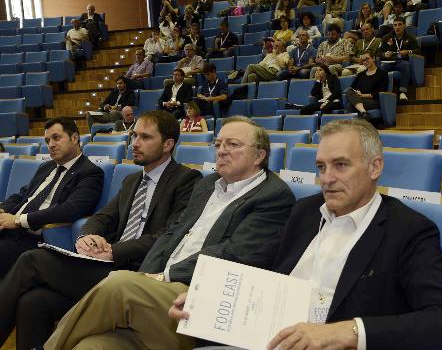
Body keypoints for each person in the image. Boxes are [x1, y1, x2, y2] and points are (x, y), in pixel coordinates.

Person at [168, 118, 442, 350]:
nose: (327, 179)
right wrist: (208, 295)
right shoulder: (305, 211)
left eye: (340, 165)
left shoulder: (407, 230)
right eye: (321, 167)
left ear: (374, 167)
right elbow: (264, 268)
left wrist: (345, 332)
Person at [44, 116, 297, 350]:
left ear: (259, 155)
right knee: (90, 346)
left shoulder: (272, 195)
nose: (222, 151)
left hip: (198, 296)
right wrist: (147, 276)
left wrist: (163, 276)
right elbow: (172, 234)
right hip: (161, 290)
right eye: (219, 144)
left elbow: (234, 254)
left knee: (119, 284)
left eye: (233, 144)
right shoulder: (209, 184)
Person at [0, 111, 202, 350]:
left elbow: (168, 238)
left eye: (145, 137)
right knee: (32, 302)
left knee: (32, 259)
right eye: (134, 135)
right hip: (106, 266)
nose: (135, 143)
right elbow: (103, 217)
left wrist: (113, 252)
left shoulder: (187, 180)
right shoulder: (132, 180)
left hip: (139, 276)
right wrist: (88, 236)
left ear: (168, 144)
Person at [0, 118, 104, 278]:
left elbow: (70, 210)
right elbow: (22, 195)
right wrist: (3, 210)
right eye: (48, 140)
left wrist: (18, 220)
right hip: (8, 231)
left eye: (56, 138)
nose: (51, 145)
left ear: (75, 138)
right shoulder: (46, 167)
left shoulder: (90, 172)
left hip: (34, 239)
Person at [380, 17, 420, 101]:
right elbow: (379, 53)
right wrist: (385, 54)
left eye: (399, 24)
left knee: (405, 65)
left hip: (402, 61)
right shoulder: (387, 37)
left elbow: (418, 50)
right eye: (395, 25)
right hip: (389, 62)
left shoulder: (410, 37)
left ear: (404, 25)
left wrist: (408, 52)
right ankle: (382, 92)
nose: (397, 27)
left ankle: (402, 92)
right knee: (382, 67)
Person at [345, 51, 388, 120]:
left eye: (367, 59)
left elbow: (381, 91)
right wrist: (356, 92)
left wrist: (363, 95)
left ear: (373, 58)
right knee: (348, 91)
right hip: (359, 99)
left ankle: (353, 127)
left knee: (351, 105)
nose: (365, 62)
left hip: (374, 100)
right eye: (363, 60)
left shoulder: (382, 74)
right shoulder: (360, 74)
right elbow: (351, 88)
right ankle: (364, 113)